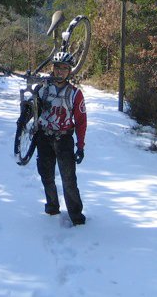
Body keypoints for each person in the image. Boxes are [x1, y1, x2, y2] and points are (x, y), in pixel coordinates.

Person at [34, 51, 87, 225]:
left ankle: (76, 216)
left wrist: (80, 145)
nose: (60, 72)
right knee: (46, 174)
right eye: (58, 67)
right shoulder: (43, 89)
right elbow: (33, 111)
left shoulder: (75, 93)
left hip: (64, 138)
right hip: (44, 136)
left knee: (68, 179)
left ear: (70, 71)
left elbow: (81, 121)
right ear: (53, 68)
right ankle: (52, 207)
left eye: (65, 68)